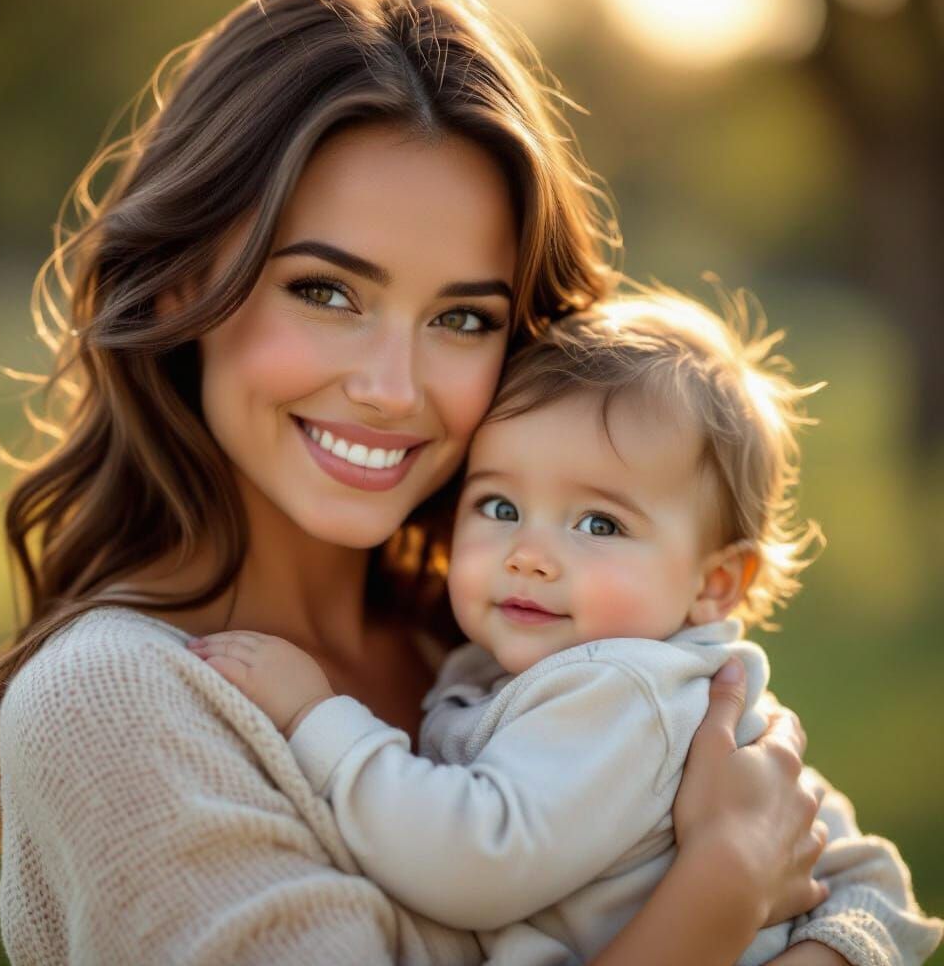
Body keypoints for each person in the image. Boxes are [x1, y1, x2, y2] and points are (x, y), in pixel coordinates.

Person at [0, 0, 929, 966]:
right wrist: (718, 888)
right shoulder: (114, 703)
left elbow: (869, 899)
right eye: (326, 291)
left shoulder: (508, 634)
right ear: (174, 288)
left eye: (461, 316)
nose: (392, 386)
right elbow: (759, 858)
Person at [190, 287, 942, 965]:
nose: (532, 556)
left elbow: (476, 861)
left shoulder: (625, 691)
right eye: (501, 507)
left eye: (598, 522)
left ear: (714, 583)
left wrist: (318, 719)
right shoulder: (540, 666)